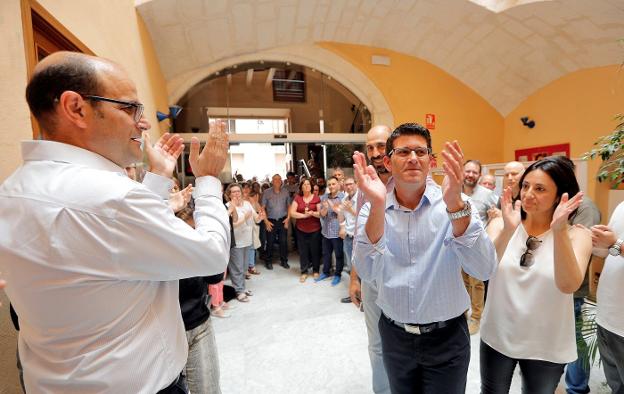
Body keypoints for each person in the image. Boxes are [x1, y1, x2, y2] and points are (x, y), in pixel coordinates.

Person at [0, 52, 231, 393]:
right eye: (129, 108)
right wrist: (210, 181)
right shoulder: (110, 197)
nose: (144, 122)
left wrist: (158, 177)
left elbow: (122, 246)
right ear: (75, 108)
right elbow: (211, 256)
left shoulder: (13, 191)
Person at [353, 123, 496, 393]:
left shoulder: (457, 203)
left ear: (431, 161)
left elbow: (484, 268)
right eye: (403, 151)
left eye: (420, 151)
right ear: (388, 160)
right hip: (395, 336)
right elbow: (367, 270)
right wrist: (378, 207)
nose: (413, 158)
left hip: (447, 337)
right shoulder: (374, 206)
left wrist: (455, 206)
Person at [480, 156, 592, 394]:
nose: (528, 193)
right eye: (526, 185)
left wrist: (559, 229)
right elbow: (484, 269)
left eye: (540, 188)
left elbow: (568, 284)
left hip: (545, 342)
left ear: (561, 195)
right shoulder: (502, 223)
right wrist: (509, 230)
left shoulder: (577, 236)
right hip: (498, 334)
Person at [347, 124, 393, 393]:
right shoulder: (366, 182)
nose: (376, 152)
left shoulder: (410, 180)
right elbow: (358, 236)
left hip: (402, 278)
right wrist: (355, 278)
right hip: (373, 279)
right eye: (371, 147)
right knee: (376, 344)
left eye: (381, 145)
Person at [176, 207, 223, 394]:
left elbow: (215, 275)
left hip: (199, 326)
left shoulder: (196, 250)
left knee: (208, 389)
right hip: (166, 331)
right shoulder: (162, 252)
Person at [590, 204, 624, 394]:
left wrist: (615, 244)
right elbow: (612, 251)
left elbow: (616, 246)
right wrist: (599, 242)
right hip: (608, 317)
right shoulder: (621, 206)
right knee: (616, 386)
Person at [461, 159, 498, 335]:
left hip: (476, 247)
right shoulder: (454, 190)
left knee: (476, 284)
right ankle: (462, 313)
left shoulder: (487, 194)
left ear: (479, 175)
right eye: (467, 171)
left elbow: (498, 215)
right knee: (461, 282)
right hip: (456, 245)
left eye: (474, 172)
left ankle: (476, 317)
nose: (470, 175)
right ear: (462, 172)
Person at [226, 183, 261, 302]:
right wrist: (245, 218)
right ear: (229, 194)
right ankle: (239, 291)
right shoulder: (228, 206)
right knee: (237, 268)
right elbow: (232, 224)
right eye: (233, 192)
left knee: (244, 267)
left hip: (248, 240)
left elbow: (255, 218)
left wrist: (260, 216)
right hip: (236, 242)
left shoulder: (247, 204)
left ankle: (242, 288)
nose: (236, 194)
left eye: (238, 191)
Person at [317, 176, 346, 286]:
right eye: (329, 184)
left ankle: (337, 274)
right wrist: (324, 208)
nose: (331, 186)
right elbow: (322, 215)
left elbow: (342, 214)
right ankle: (325, 272)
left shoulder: (343, 197)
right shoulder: (323, 197)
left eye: (333, 184)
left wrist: (333, 207)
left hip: (338, 231)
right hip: (326, 231)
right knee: (326, 254)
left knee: (338, 255)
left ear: (338, 184)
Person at [261, 174, 291, 270]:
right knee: (270, 242)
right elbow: (262, 208)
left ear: (281, 181)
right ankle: (268, 261)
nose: (277, 181)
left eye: (279, 179)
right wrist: (266, 222)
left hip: (283, 220)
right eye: (275, 179)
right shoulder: (266, 192)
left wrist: (288, 219)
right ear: (272, 181)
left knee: (283, 241)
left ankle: (284, 261)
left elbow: (289, 206)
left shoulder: (285, 191)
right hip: (271, 221)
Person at [339, 177, 358, 275]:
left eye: (351, 184)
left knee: (361, 266)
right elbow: (341, 217)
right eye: (346, 185)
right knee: (351, 264)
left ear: (356, 184)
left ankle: (363, 289)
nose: (349, 187)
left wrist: (351, 209)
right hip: (348, 237)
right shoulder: (344, 199)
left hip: (359, 238)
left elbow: (366, 218)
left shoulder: (362, 198)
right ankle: (355, 286)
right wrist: (342, 226)